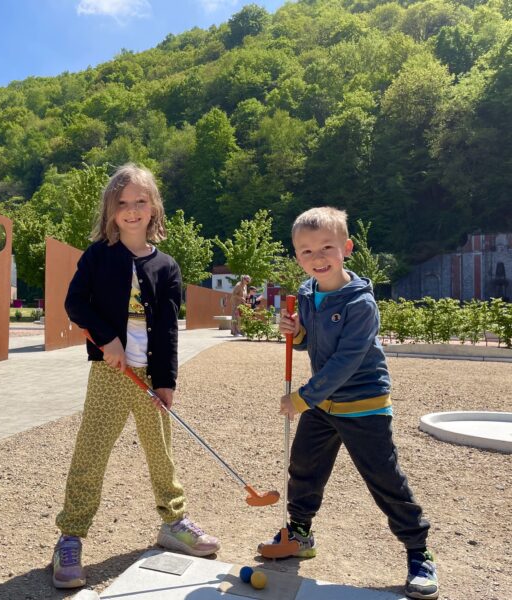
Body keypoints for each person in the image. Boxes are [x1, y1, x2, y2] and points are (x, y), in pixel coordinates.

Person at [52, 163, 220, 589]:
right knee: (91, 453)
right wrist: (106, 341)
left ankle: (174, 523)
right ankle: (70, 536)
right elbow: (76, 304)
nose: (131, 210)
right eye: (122, 203)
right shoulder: (97, 256)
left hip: (150, 376)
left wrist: (167, 381)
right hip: (111, 374)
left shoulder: (166, 266)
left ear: (153, 208)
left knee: (161, 453)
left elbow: (166, 329)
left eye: (139, 202)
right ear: (111, 209)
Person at [258, 207, 438, 600]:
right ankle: (300, 532)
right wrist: (298, 332)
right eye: (306, 251)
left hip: (363, 403)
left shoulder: (361, 303)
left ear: (347, 248)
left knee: (383, 478)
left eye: (326, 247)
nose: (317, 258)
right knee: (304, 467)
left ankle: (418, 551)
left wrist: (304, 397)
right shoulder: (306, 294)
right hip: (324, 405)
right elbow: (314, 344)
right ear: (296, 256)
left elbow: (346, 360)